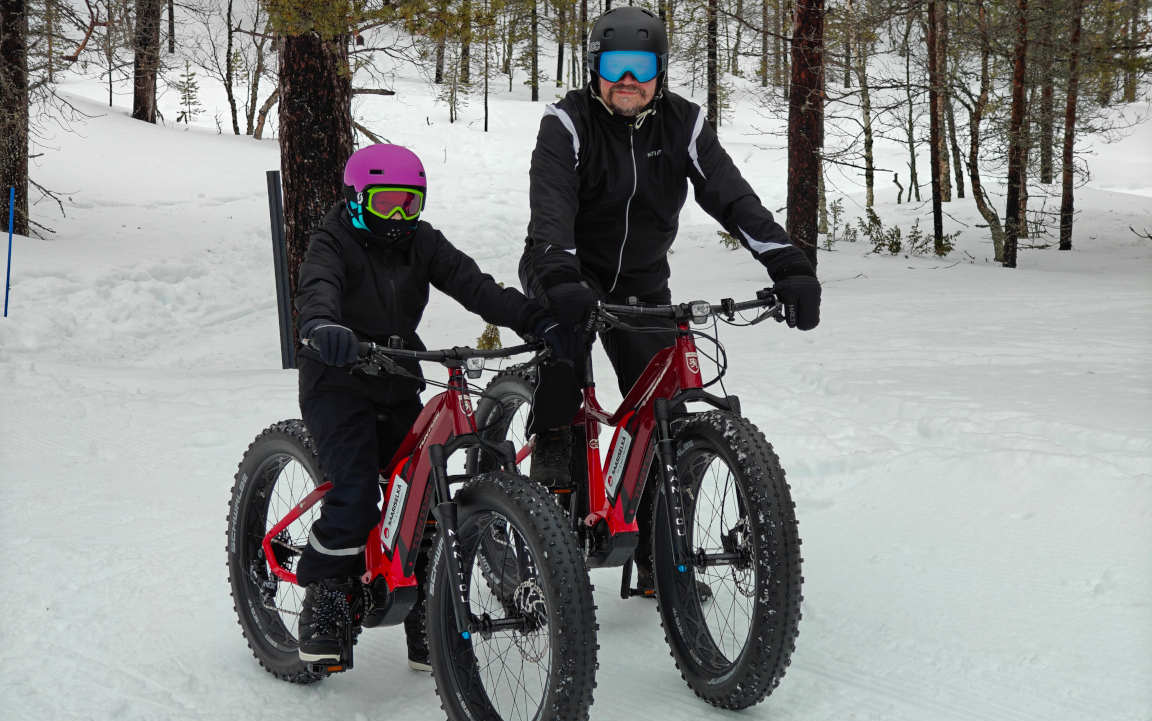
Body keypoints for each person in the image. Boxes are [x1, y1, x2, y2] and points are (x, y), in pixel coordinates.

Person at [519, 6, 822, 595]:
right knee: (565, 397)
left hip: (641, 282)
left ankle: (661, 551)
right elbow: (550, 209)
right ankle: (539, 541)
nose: (626, 79)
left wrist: (787, 262)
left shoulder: (683, 123)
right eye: (613, 65)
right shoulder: (567, 122)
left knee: (668, 413)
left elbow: (734, 199)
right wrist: (560, 276)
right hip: (565, 271)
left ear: (659, 72)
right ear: (593, 68)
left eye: (641, 67)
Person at [293, 143, 570, 670]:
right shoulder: (333, 240)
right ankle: (325, 597)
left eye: (409, 204)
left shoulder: (421, 242)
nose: (398, 217)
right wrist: (322, 326)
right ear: (356, 200)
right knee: (353, 492)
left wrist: (534, 320)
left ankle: (421, 604)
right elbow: (318, 287)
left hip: (396, 376)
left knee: (422, 490)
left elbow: (475, 287)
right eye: (385, 203)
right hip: (337, 380)